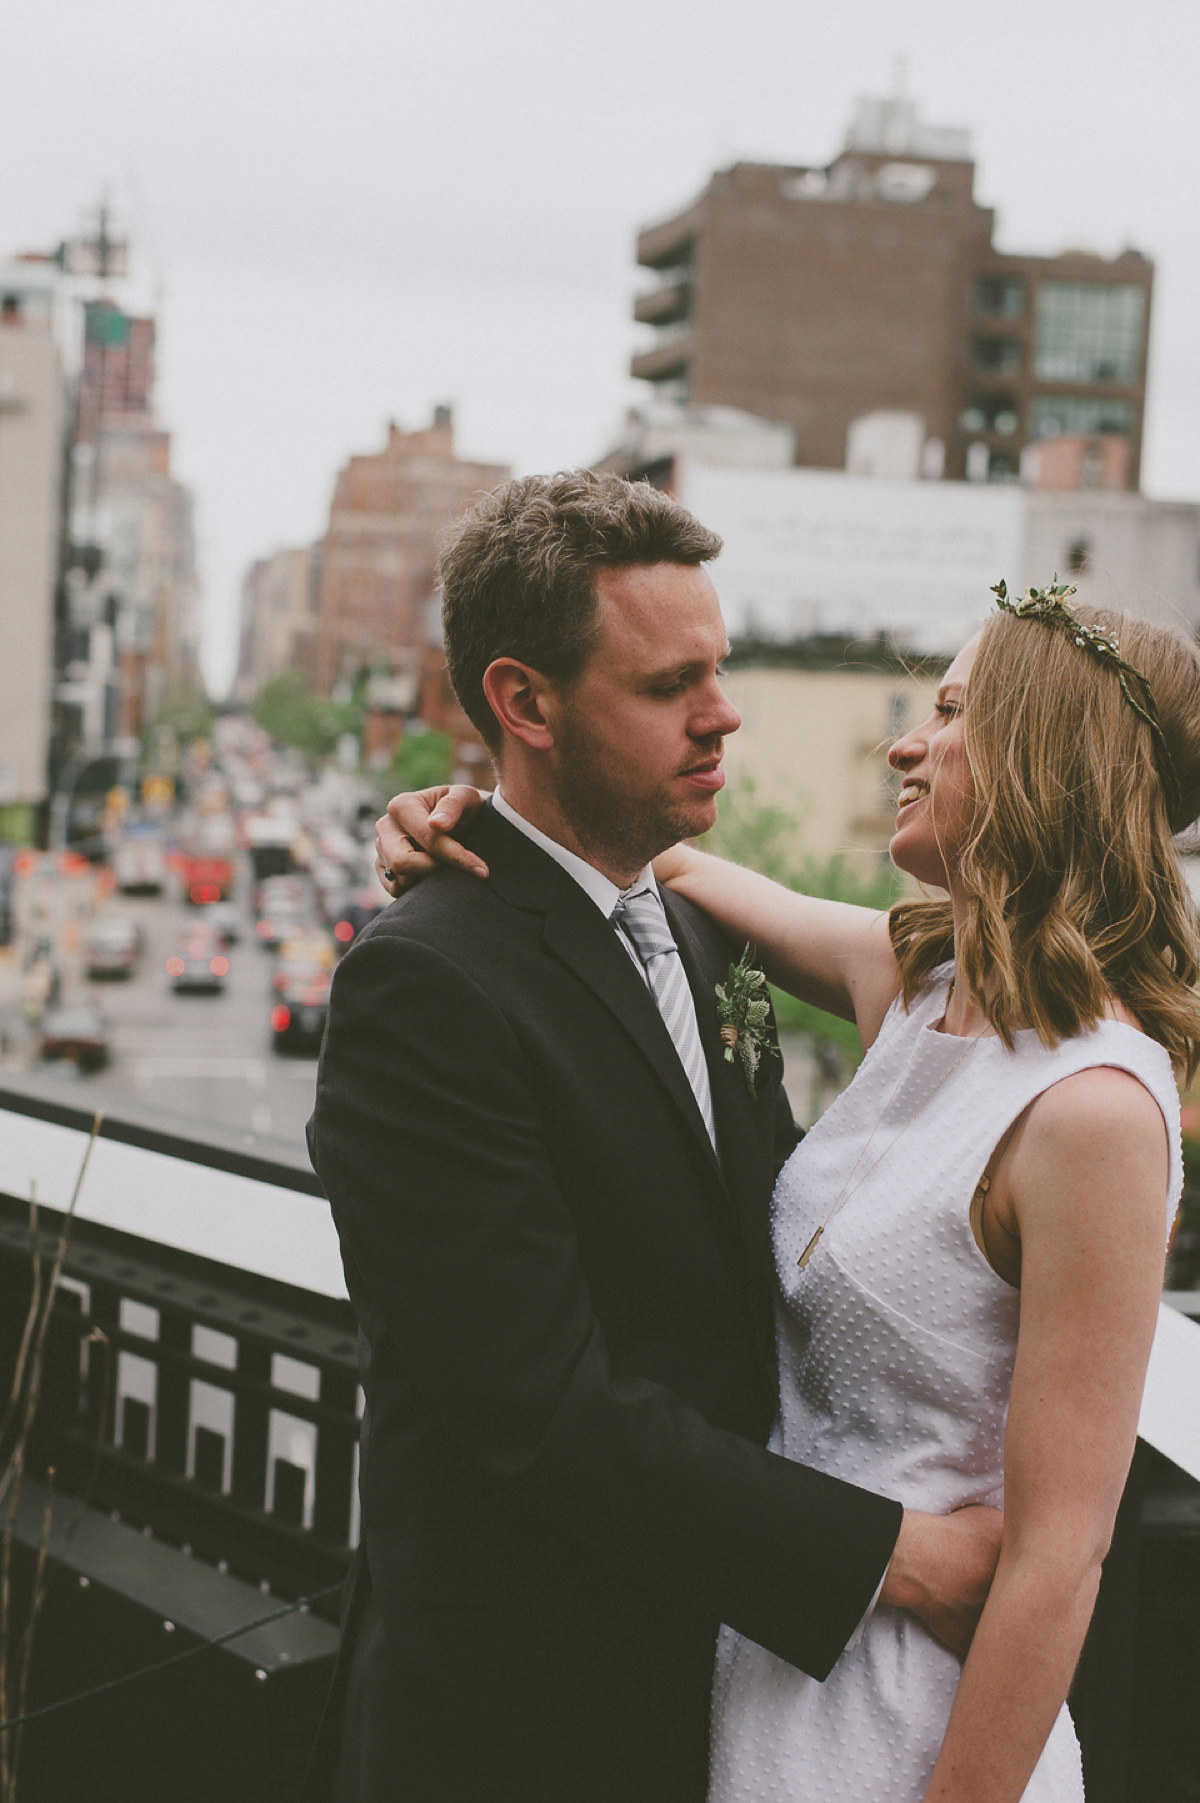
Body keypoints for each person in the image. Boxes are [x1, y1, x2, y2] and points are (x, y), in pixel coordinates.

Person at [380, 575, 1200, 1801]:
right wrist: (458, 818)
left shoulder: (1092, 1114)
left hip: (912, 1714)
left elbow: (1058, 1563)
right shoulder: (913, 980)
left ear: (1046, 758)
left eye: (952, 711)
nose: (905, 743)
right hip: (768, 1652)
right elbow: (667, 873)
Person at [305, 471, 1000, 1803]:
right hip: (527, 1727)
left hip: (740, 1697)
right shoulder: (424, 985)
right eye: (670, 682)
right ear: (525, 702)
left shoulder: (691, 926)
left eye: (721, 669)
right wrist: (894, 1555)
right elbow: (538, 1406)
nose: (724, 711)